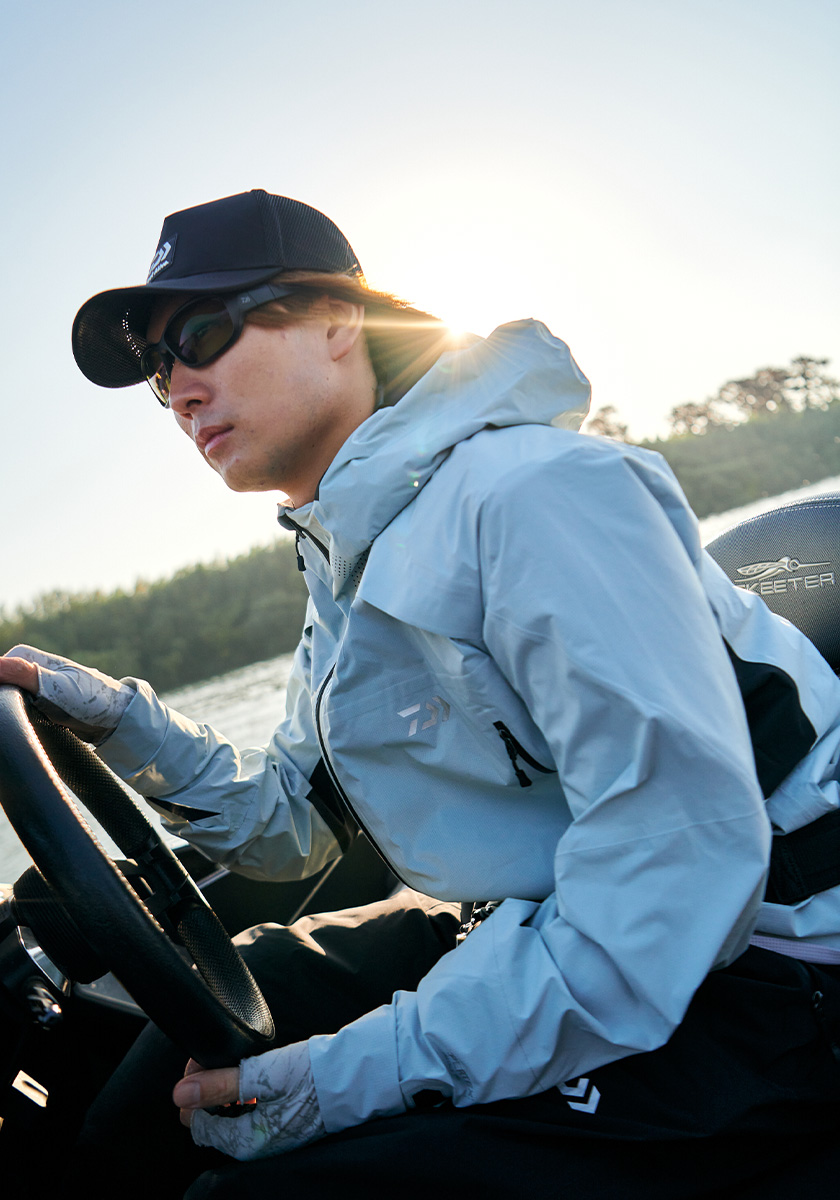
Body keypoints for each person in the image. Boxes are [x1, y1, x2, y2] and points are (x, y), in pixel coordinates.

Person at [2, 188, 840, 1198]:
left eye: (202, 337)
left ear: (336, 318)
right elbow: (299, 830)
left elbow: (676, 876)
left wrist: (355, 1076)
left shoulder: (532, 496)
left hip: (770, 966)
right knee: (209, 1032)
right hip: (553, 915)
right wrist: (124, 722)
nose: (179, 390)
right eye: (156, 369)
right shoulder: (350, 555)